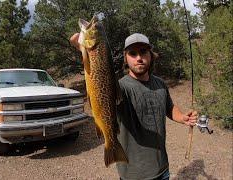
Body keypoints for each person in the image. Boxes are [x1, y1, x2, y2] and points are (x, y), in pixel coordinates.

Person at [70, 33, 198, 180]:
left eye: (143, 52)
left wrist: (182, 117)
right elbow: (99, 86)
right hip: (133, 174)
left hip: (162, 169)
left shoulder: (160, 84)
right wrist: (86, 51)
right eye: (133, 53)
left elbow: (169, 108)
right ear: (125, 58)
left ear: (151, 55)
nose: (139, 58)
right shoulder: (120, 87)